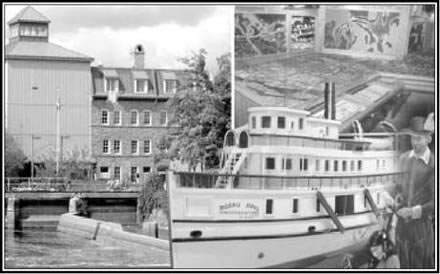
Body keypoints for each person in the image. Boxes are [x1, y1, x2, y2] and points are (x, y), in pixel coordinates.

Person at [394, 115, 435, 268]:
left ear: (428, 139)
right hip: (401, 231)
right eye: (412, 138)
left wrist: (412, 212)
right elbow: (397, 187)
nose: (414, 143)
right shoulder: (403, 159)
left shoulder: (433, 165)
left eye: (418, 139)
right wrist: (397, 196)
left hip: (421, 232)